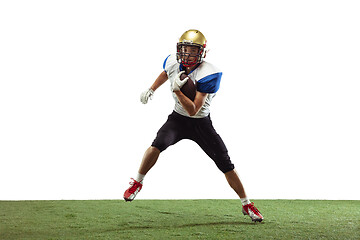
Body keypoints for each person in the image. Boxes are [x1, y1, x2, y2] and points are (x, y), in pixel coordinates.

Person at [123, 29, 263, 222]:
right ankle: (137, 182)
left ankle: (247, 204)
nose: (188, 53)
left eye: (193, 49)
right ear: (180, 48)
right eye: (185, 48)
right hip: (177, 120)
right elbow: (166, 72)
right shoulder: (172, 60)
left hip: (200, 123)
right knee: (157, 144)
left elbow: (193, 111)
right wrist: (151, 88)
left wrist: (178, 92)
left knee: (225, 163)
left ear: (202, 52)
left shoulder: (209, 73)